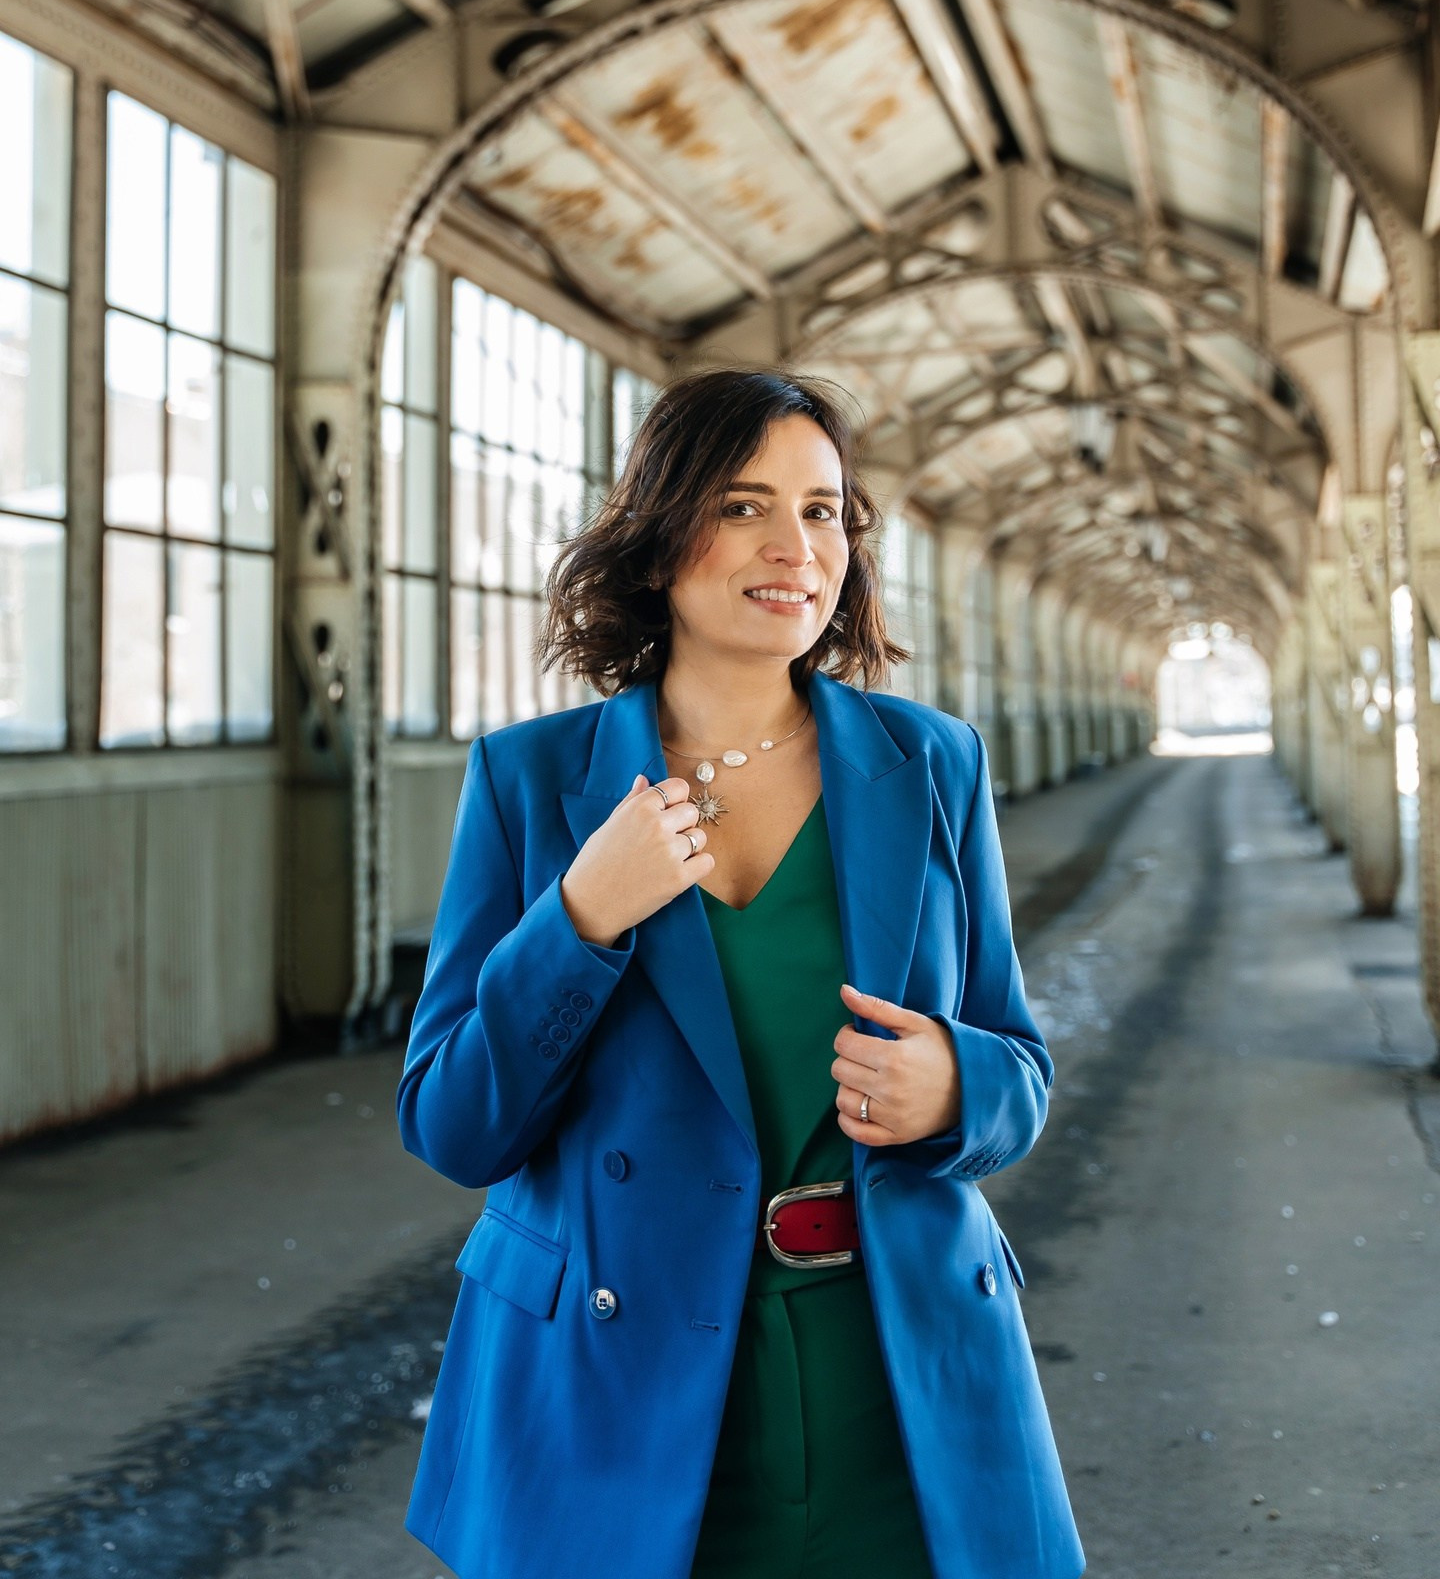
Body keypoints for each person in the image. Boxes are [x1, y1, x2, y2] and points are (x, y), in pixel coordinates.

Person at [397, 367, 1085, 1579]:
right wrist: (581, 916)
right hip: (620, 1383)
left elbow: (1018, 1065)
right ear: (660, 537)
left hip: (898, 1374)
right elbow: (454, 1122)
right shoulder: (530, 781)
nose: (795, 546)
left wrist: (955, 1088)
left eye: (823, 511)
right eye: (743, 504)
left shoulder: (932, 765)